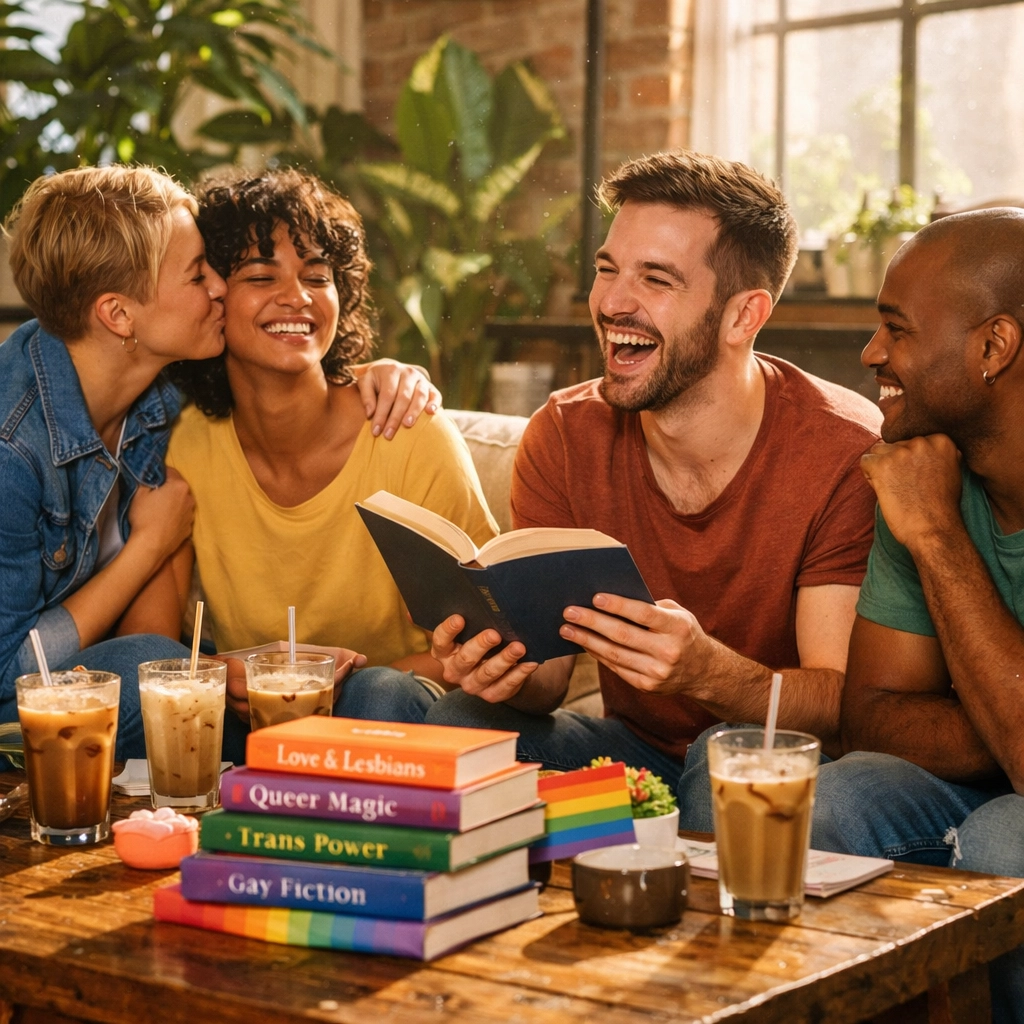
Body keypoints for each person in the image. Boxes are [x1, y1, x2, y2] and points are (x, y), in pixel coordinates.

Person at [424, 150, 882, 819]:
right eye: (607, 269)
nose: (612, 302)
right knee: (458, 726)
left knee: (713, 768)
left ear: (743, 316)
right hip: (626, 751)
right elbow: (548, 680)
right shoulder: (564, 434)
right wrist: (500, 666)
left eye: (656, 279)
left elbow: (843, 709)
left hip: (774, 764)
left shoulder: (841, 452)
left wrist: (708, 673)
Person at [0, 165, 447, 761]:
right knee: (145, 675)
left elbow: (278, 361)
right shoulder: (14, 446)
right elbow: (13, 669)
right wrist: (149, 547)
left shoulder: (156, 393)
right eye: (197, 274)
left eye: (215, 268)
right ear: (119, 315)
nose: (218, 287)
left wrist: (375, 374)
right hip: (20, 695)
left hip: (146, 681)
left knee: (368, 697)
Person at [164, 169, 498, 759]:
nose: (298, 297)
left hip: (393, 717)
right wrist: (225, 676)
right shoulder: (185, 444)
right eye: (262, 276)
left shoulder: (407, 432)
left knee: (376, 695)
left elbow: (489, 641)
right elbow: (168, 650)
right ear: (215, 299)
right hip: (256, 722)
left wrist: (327, 684)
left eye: (317, 277)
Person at [808, 208, 1024, 1022]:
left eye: (894, 330)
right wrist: (1006, 726)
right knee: (835, 795)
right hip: (994, 774)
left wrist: (937, 538)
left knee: (1011, 836)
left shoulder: (925, 508)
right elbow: (870, 717)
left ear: (992, 347)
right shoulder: (919, 475)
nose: (870, 355)